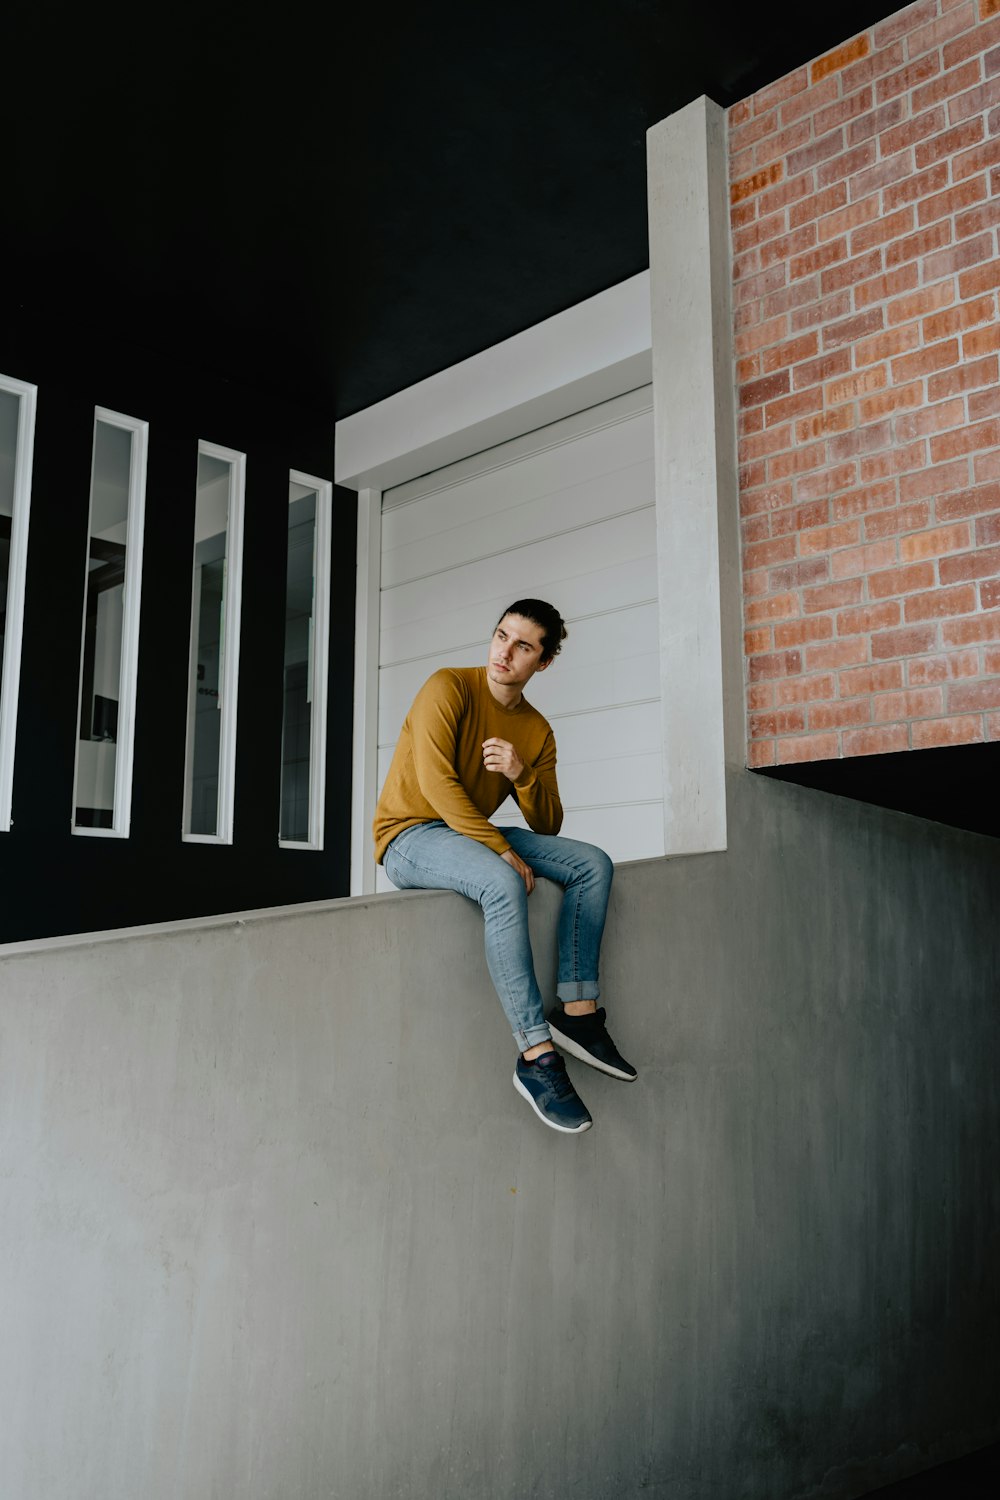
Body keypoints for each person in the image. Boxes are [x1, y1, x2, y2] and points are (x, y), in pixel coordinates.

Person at [374, 598, 635, 1133]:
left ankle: (578, 1015)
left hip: (470, 833)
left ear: (542, 663)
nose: (505, 652)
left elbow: (549, 821)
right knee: (501, 883)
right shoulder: (447, 687)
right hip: (410, 834)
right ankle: (536, 1057)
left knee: (592, 864)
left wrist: (520, 774)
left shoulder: (536, 731)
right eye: (501, 636)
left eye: (523, 646)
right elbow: (436, 786)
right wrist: (498, 849)